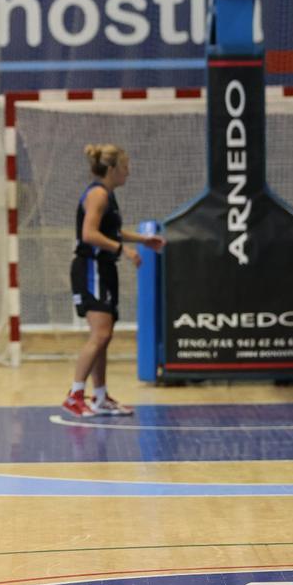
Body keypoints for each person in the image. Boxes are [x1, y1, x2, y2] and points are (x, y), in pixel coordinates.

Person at [61, 144, 165, 417]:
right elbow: (89, 234)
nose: (128, 172)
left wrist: (143, 240)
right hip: (91, 268)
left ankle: (100, 396)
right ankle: (75, 395)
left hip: (104, 268)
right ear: (111, 169)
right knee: (100, 334)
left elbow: (113, 231)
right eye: (125, 167)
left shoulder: (108, 195)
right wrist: (124, 251)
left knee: (104, 337)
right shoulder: (97, 194)